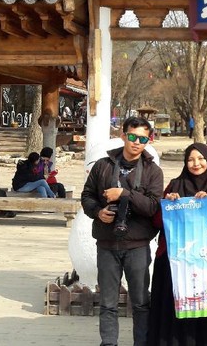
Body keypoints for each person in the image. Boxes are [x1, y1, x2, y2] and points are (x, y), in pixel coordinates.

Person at [81, 116, 163, 346]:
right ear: (123, 135)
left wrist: (124, 195)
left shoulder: (152, 171)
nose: (137, 142)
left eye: (143, 138)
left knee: (140, 302)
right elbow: (86, 196)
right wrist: (98, 212)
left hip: (137, 244)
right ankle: (109, 343)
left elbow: (152, 206)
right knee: (108, 303)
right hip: (106, 243)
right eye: (133, 137)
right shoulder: (103, 165)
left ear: (149, 140)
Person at [148, 143, 207, 345]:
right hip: (172, 261)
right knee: (171, 309)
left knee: (203, 309)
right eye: (191, 159)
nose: (196, 163)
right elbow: (156, 222)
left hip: (206, 264)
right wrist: (167, 204)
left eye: (200, 159)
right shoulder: (174, 186)